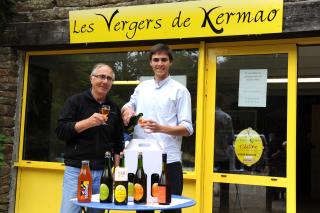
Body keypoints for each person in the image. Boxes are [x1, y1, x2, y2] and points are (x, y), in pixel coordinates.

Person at [121, 43, 194, 213]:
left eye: (164, 60)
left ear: (170, 62)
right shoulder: (141, 87)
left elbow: (188, 128)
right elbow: (128, 105)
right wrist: (127, 110)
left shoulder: (180, 91)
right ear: (150, 63)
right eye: (156, 60)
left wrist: (161, 128)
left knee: (170, 209)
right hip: (141, 160)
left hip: (167, 161)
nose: (159, 63)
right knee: (142, 208)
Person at [56, 63, 124, 213]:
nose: (105, 81)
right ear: (91, 79)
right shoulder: (75, 101)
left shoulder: (114, 108)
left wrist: (117, 170)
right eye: (101, 77)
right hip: (77, 170)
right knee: (69, 211)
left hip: (103, 173)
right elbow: (61, 131)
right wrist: (88, 122)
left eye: (109, 78)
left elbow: (118, 143)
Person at [214, 93, 234, 213]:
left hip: (207, 156)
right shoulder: (226, 117)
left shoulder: (203, 114)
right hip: (222, 156)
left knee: (205, 182)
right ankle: (224, 209)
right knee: (224, 186)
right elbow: (231, 139)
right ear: (222, 103)